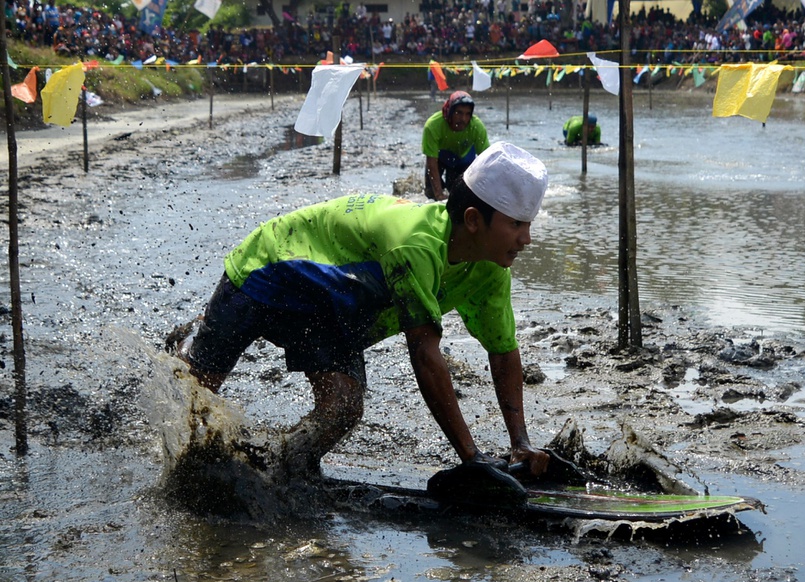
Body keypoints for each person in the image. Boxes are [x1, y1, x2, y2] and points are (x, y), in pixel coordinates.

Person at [166, 142, 552, 492]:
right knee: (195, 393)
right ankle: (171, 367)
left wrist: (520, 445)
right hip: (266, 270)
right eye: (516, 225)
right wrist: (472, 459)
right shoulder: (416, 246)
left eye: (528, 225)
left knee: (343, 408)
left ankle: (279, 468)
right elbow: (425, 354)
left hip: (329, 306)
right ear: (472, 220)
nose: (526, 239)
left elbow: (503, 354)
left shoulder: (491, 270)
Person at [422, 90, 489, 202]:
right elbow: (432, 162)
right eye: (458, 113)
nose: (463, 119)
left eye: (467, 114)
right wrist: (439, 195)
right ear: (449, 112)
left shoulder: (476, 127)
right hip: (439, 159)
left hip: (463, 160)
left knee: (460, 196)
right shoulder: (433, 126)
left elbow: (487, 161)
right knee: (430, 192)